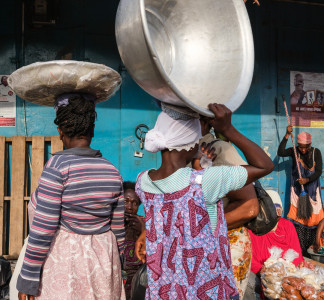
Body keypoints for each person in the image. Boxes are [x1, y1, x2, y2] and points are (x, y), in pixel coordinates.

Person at [134, 104, 274, 299]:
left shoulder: (143, 181)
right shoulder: (205, 180)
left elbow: (171, 211)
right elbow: (265, 165)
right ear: (192, 143)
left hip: (168, 286)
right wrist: (228, 130)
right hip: (205, 286)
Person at [17, 94, 125, 299]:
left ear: (60, 132)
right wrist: (119, 266)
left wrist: (28, 279)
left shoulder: (57, 168)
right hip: (103, 262)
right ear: (92, 130)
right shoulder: (112, 171)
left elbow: (43, 229)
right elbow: (118, 229)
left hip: (66, 263)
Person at [197, 115, 259, 298]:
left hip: (226, 245)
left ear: (205, 123)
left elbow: (249, 207)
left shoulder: (218, 150)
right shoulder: (186, 152)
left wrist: (200, 229)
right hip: (203, 244)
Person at [245, 190, 304, 300]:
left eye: (277, 216)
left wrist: (285, 272)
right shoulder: (252, 228)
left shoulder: (287, 226)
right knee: (246, 282)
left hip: (288, 274)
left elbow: (297, 254)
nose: (275, 220)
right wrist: (265, 271)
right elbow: (249, 260)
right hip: (261, 275)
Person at [278, 126, 324, 256]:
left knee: (313, 218)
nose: (303, 150)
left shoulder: (316, 152)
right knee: (298, 219)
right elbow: (280, 152)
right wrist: (287, 135)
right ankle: (299, 249)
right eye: (301, 147)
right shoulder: (294, 151)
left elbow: (319, 171)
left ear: (310, 144)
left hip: (312, 191)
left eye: (306, 147)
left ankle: (311, 249)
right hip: (298, 191)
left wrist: (307, 179)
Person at [122, 181, 144, 300]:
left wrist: (143, 231)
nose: (129, 207)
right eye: (126, 201)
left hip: (137, 282)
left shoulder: (143, 224)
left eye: (134, 203)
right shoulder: (111, 223)